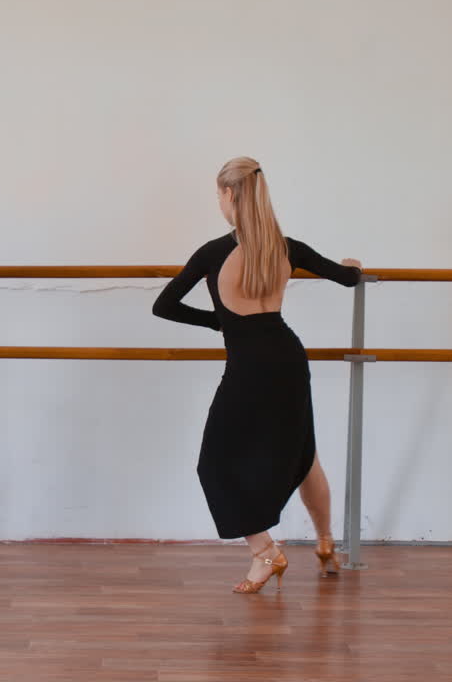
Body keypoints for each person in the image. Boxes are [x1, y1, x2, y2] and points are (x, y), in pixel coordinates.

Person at [152, 156, 362, 593]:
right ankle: (325, 544)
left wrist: (220, 322)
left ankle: (264, 552)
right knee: (303, 458)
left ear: (229, 195)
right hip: (288, 358)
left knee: (213, 464)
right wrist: (352, 265)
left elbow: (164, 306)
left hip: (249, 366)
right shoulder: (286, 247)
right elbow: (347, 278)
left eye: (218, 194)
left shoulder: (213, 253)